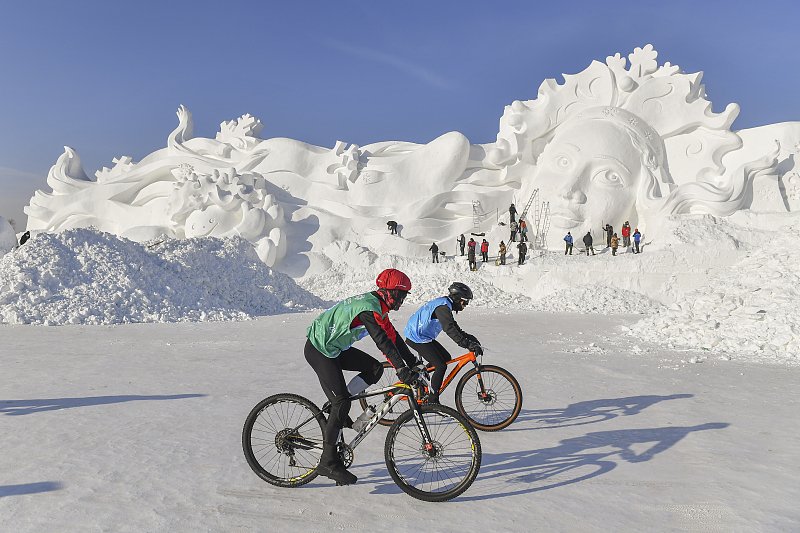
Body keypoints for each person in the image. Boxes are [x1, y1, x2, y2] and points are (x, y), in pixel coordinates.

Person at [305, 268, 418, 485]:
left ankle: (337, 403)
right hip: (319, 349)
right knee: (342, 403)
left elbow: (393, 338)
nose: (402, 300)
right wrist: (401, 370)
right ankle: (327, 463)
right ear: (387, 292)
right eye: (400, 295)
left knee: (375, 369)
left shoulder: (379, 308)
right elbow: (382, 342)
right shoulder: (369, 309)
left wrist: (413, 363)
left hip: (335, 348)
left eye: (404, 296)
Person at [404, 283, 483, 404]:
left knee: (446, 358)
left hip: (423, 336)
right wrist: (466, 344)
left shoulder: (445, 305)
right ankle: (433, 401)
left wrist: (471, 339)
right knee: (441, 366)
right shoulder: (443, 307)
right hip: (416, 337)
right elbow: (449, 329)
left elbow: (455, 328)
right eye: (465, 302)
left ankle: (420, 376)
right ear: (457, 298)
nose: (465, 305)